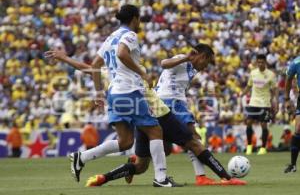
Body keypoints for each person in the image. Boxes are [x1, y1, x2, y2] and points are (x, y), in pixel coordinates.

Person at [47, 44, 246, 186]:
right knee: (192, 140)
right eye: (206, 61)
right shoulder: (143, 66)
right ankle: (210, 177)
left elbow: (88, 68)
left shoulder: (116, 71)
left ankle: (99, 176)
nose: (206, 66)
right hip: (158, 105)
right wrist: (184, 58)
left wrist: (63, 58)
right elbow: (164, 63)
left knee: (140, 158)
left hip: (137, 107)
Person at [46, 4, 177, 187]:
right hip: (129, 91)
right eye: (139, 19)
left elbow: (93, 66)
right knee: (156, 131)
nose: (139, 22)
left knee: (125, 142)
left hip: (114, 94)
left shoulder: (110, 38)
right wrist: (142, 72)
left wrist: (99, 91)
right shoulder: (130, 35)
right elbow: (122, 53)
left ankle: (81, 157)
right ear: (134, 19)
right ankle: (161, 179)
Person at [241, 54, 278, 155]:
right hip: (253, 102)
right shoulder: (253, 73)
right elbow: (248, 86)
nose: (260, 64)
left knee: (263, 125)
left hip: (265, 103)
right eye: (258, 62)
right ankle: (249, 146)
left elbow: (275, 90)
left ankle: (263, 148)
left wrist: (276, 102)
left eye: (262, 62)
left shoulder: (271, 74)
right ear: (257, 62)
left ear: (265, 62)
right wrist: (242, 94)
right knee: (249, 122)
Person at [284, 55, 300, 173]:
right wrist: (286, 99)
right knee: (298, 129)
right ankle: (293, 165)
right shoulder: (296, 62)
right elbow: (289, 78)